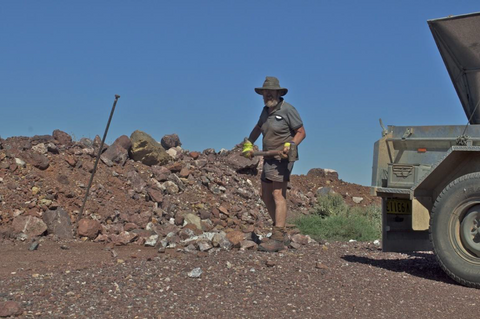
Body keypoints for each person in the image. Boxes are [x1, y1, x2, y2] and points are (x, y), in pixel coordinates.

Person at [243, 76, 306, 246]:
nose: (268, 95)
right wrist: (249, 144)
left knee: (278, 193)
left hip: (282, 158)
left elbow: (301, 132)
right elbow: (258, 128)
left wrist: (290, 144)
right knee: (265, 194)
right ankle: (280, 230)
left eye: (271, 92)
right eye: (265, 92)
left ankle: (278, 236)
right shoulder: (265, 111)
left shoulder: (287, 110)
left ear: (278, 93)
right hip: (268, 156)